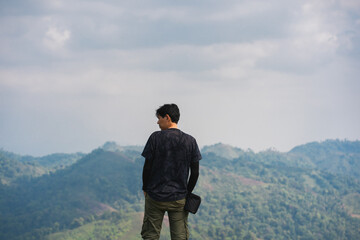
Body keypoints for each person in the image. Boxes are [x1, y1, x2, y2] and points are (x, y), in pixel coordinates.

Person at [141, 103, 202, 240]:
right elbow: (195, 172)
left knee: (150, 235)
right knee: (180, 236)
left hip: (155, 196)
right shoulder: (190, 141)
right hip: (179, 198)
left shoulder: (155, 138)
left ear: (167, 117)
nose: (157, 122)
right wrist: (187, 192)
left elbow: (147, 167)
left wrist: (145, 187)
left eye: (159, 118)